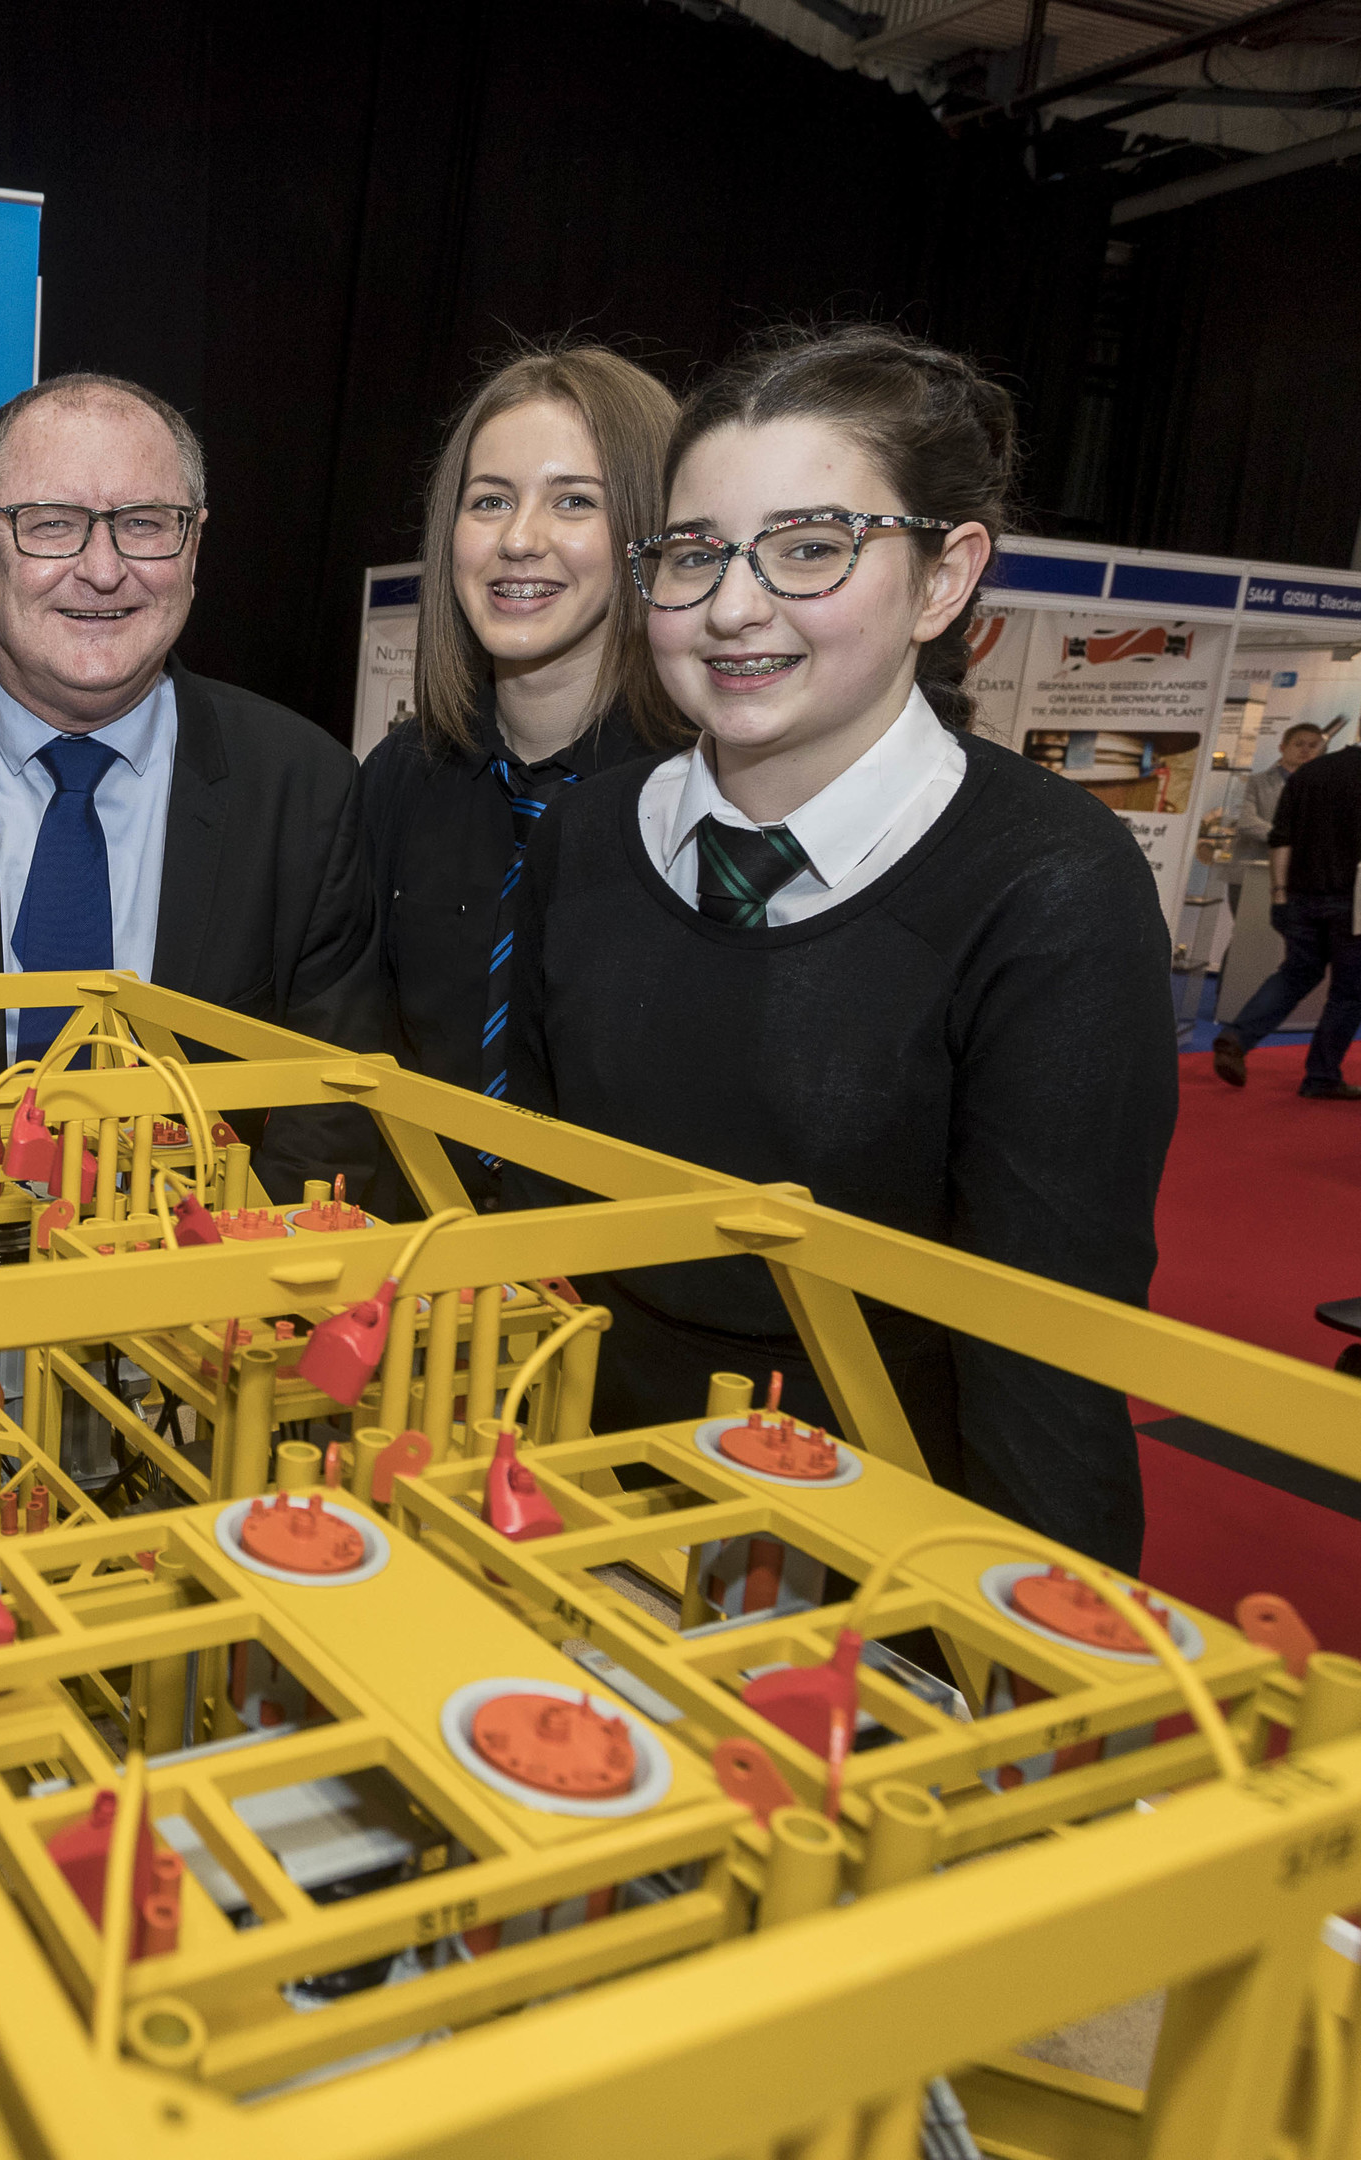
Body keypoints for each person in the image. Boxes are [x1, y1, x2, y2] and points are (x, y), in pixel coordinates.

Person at [505, 324, 1174, 1570]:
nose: (735, 608)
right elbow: (539, 1200)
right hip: (568, 1500)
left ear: (944, 576)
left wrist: (1029, 1681)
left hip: (875, 1563)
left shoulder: (1050, 885)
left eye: (811, 549)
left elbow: (1049, 1358)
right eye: (694, 556)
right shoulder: (591, 832)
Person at [0, 373, 378, 1186]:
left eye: (143, 525)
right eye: (52, 525)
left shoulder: (304, 787)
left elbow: (331, 1116)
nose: (103, 570)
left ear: (194, 552)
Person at [353, 345, 677, 1203]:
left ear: (654, 535)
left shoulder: (707, 801)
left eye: (574, 501)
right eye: (490, 501)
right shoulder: (399, 778)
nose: (519, 540)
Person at [1210, 693, 1361, 1099]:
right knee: (1350, 992)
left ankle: (1238, 1036)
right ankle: (1322, 1075)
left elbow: (1282, 837)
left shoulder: (1311, 774)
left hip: (1301, 897)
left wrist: (1280, 896)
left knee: (1296, 972)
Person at [1233, 721, 1327, 853]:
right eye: (1299, 744)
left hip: (1304, 865)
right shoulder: (1254, 782)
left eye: (1312, 746)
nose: (1305, 750)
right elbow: (1245, 820)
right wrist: (1290, 838)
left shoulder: (1326, 788)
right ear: (1282, 748)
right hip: (1256, 862)